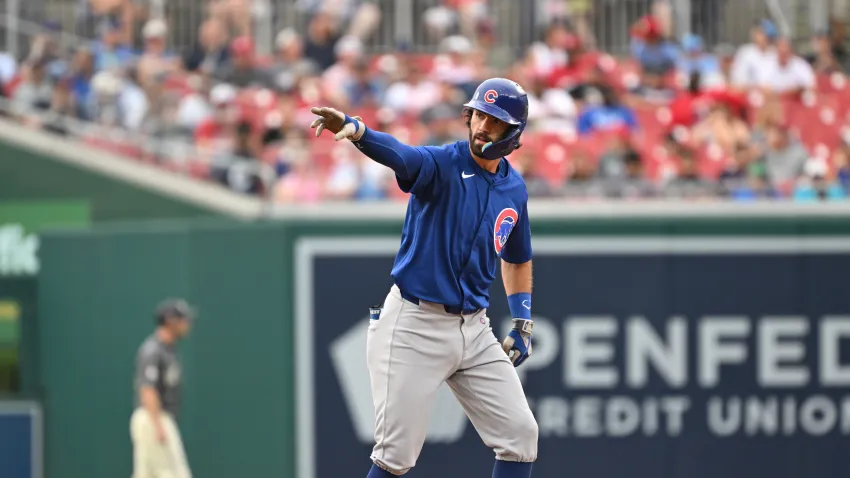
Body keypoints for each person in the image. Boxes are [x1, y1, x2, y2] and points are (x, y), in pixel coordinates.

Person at [309, 77, 538, 478]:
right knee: (395, 457)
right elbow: (403, 156)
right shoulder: (444, 164)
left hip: (474, 327)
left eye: (495, 120)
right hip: (415, 324)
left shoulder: (514, 188)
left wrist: (521, 321)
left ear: (513, 132)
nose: (482, 126)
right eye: (478, 115)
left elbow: (517, 259)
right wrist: (360, 131)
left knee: (520, 436)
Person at [130, 298, 196, 478]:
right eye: (183, 319)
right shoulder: (153, 350)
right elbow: (147, 389)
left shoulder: (169, 349)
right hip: (153, 415)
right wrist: (157, 424)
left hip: (156, 417)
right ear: (170, 321)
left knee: (146, 474)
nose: (187, 324)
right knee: (173, 473)